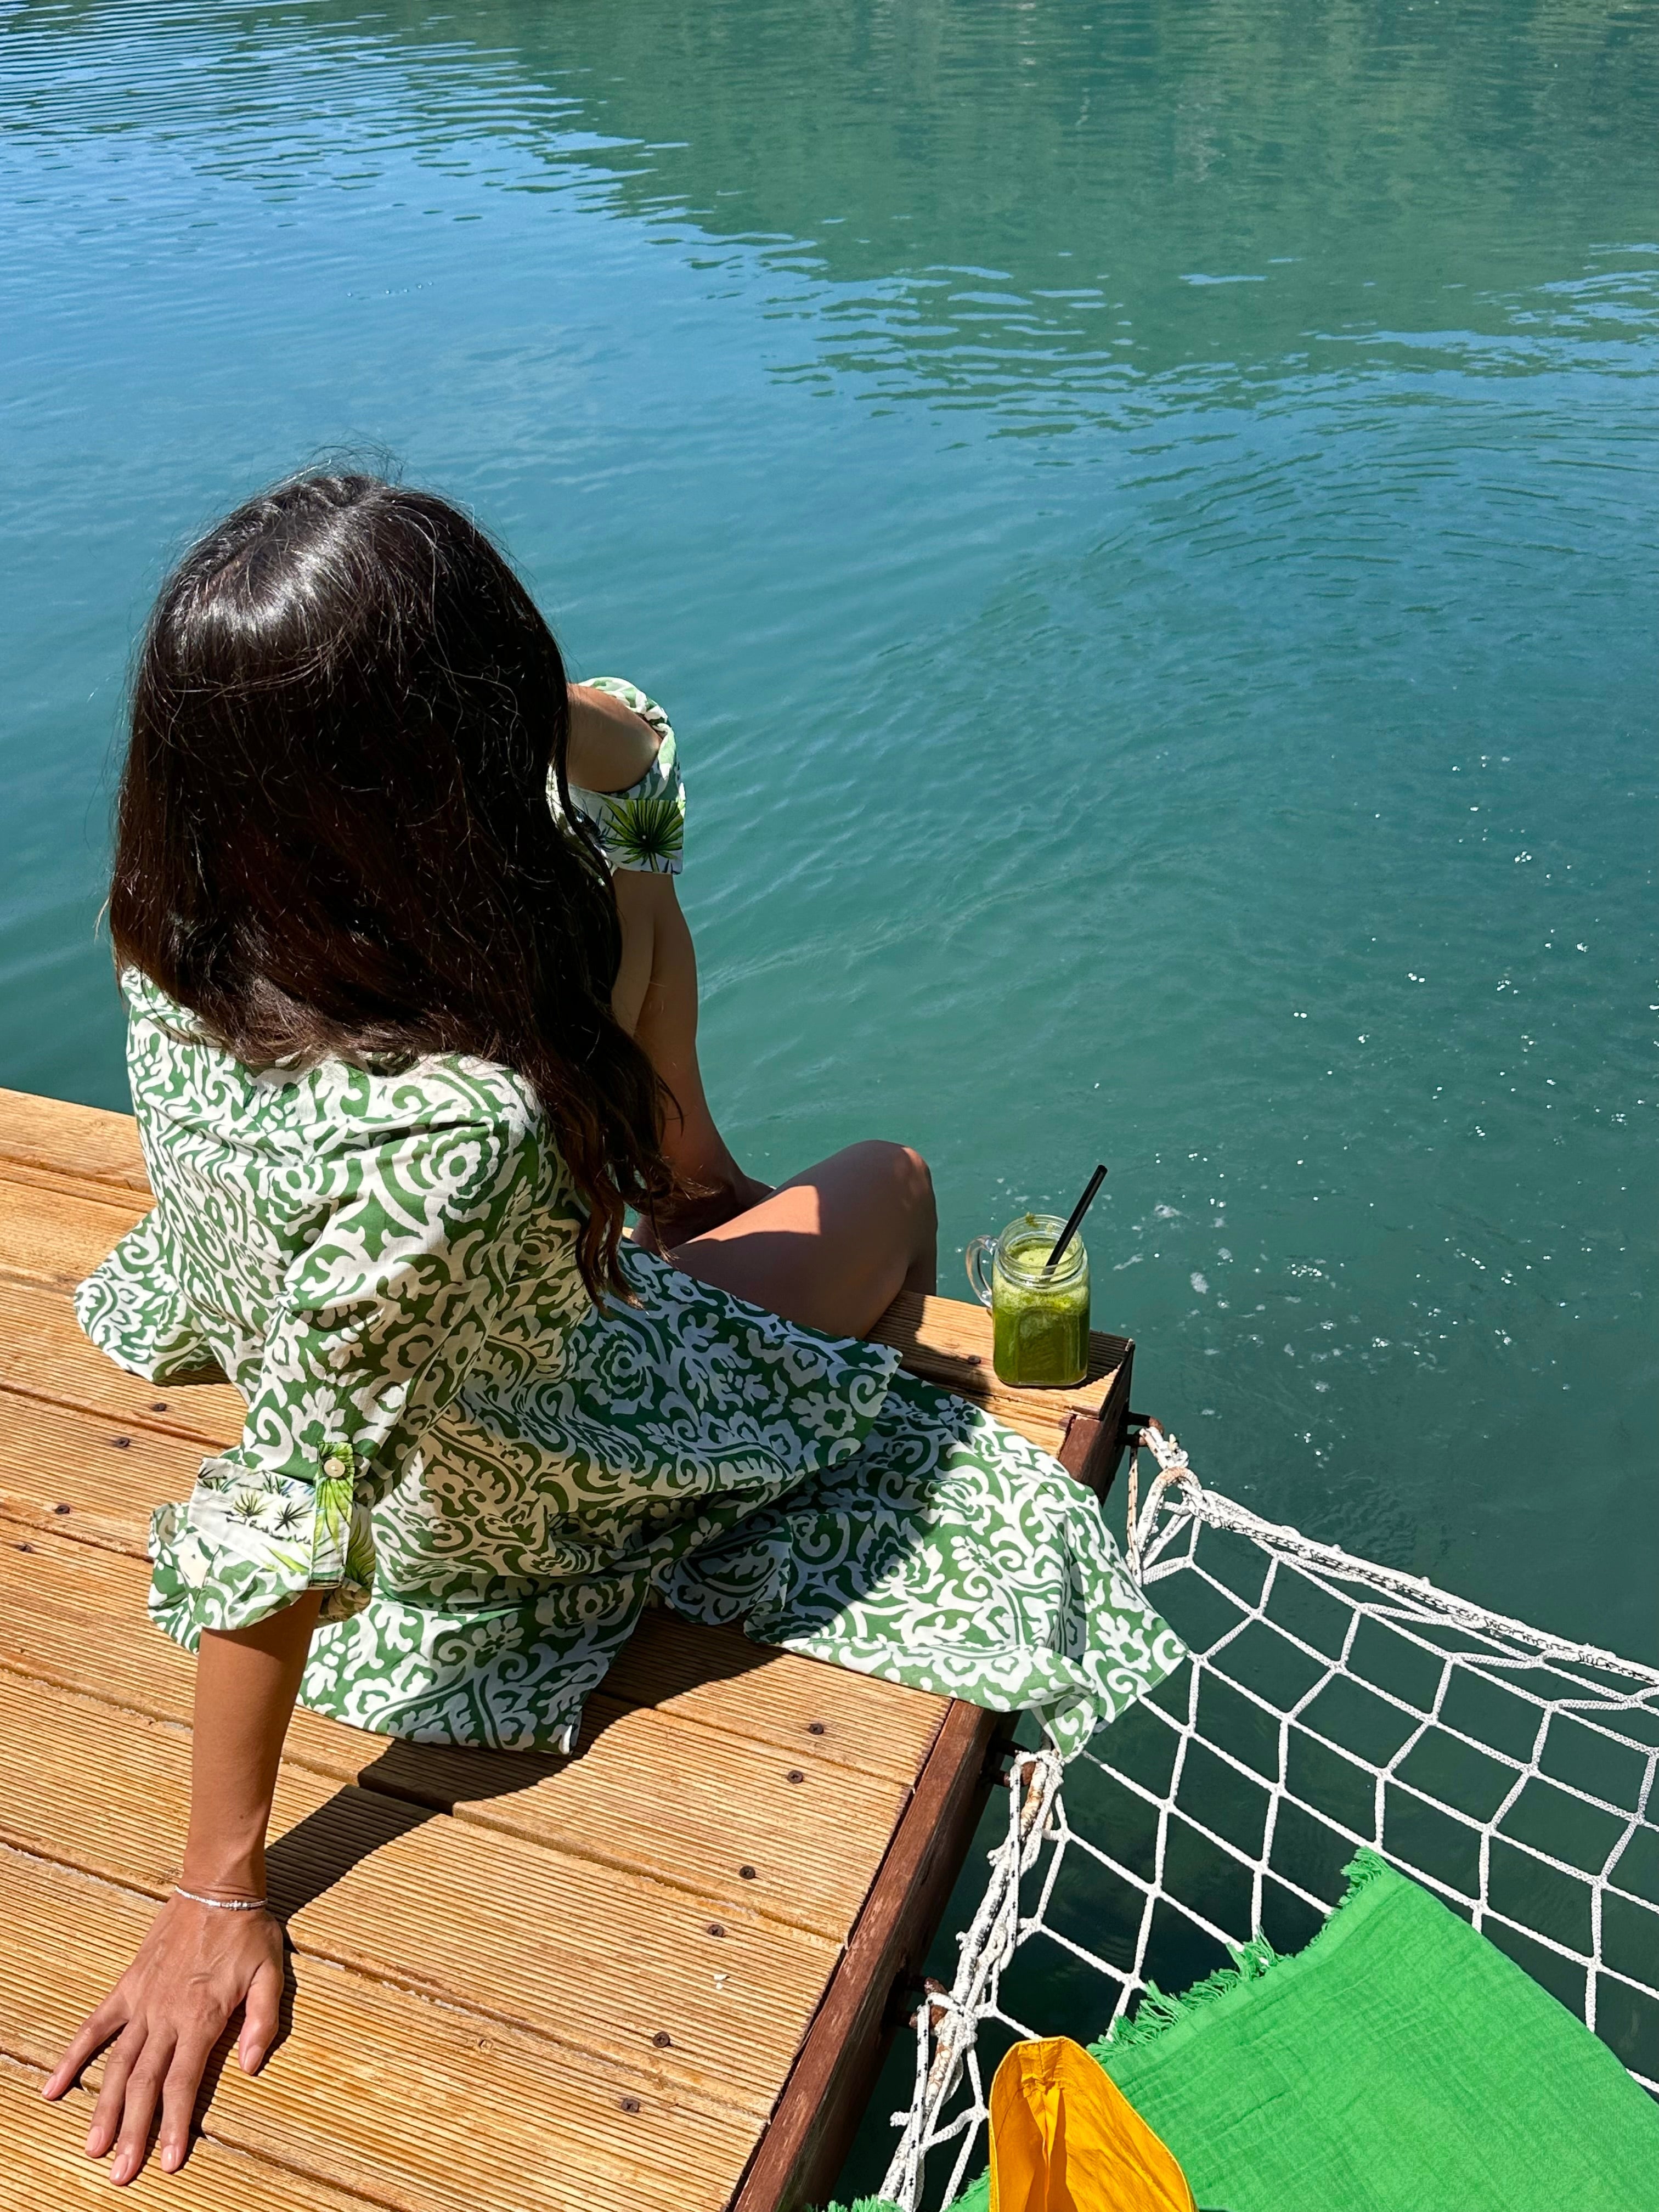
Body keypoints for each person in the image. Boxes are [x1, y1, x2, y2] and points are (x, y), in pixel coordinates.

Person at [42, 472, 1181, 2183]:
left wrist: (499, 713)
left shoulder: (177, 925)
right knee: (893, 1184)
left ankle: (688, 1163)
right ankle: (702, 1197)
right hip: (505, 1473)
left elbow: (631, 751)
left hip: (285, 1300)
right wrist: (215, 1889)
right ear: (444, 738)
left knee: (622, 869)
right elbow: (285, 1505)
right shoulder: (454, 1123)